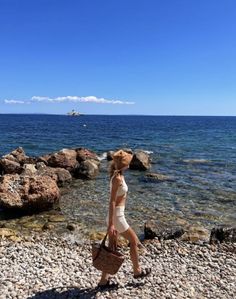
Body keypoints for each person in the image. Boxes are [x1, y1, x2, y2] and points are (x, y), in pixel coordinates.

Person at [98, 149, 151, 288]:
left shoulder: (119, 175)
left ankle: (103, 281)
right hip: (117, 217)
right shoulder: (117, 178)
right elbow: (112, 202)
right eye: (128, 161)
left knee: (111, 249)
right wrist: (111, 225)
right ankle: (137, 271)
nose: (130, 163)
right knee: (133, 241)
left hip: (117, 216)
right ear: (124, 165)